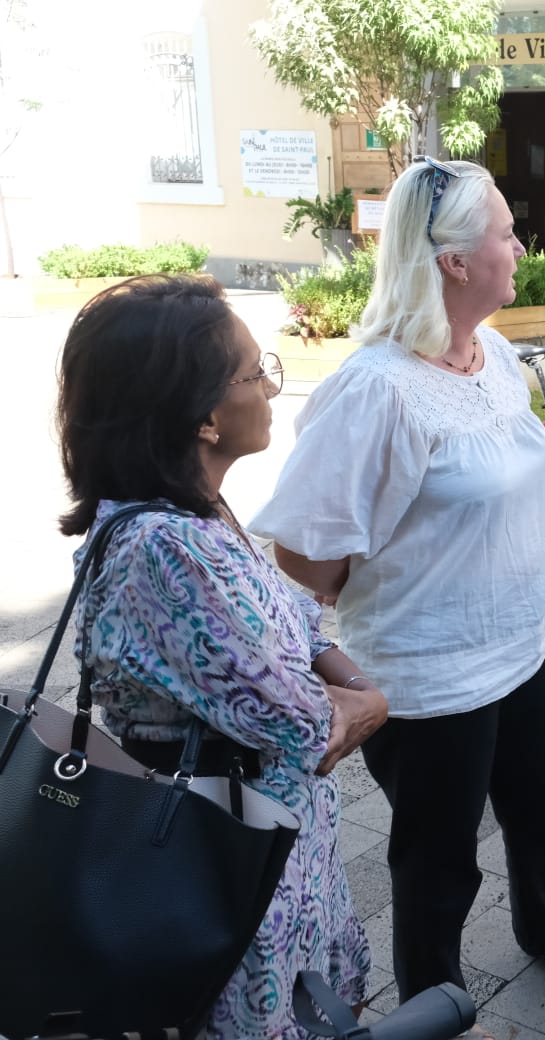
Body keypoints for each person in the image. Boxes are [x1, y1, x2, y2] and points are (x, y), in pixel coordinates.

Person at [252, 156, 545, 1003]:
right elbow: (305, 554)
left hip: (524, 647)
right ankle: (435, 1003)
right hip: (426, 675)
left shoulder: (490, 350)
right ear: (454, 262)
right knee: (439, 855)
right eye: (504, 232)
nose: (520, 246)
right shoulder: (375, 389)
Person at [55, 274, 388, 1038]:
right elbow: (306, 727)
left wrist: (354, 682)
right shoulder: (164, 552)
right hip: (223, 874)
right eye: (253, 372)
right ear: (204, 415)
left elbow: (295, 622)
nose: (272, 388)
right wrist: (368, 701)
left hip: (272, 854)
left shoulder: (198, 511)